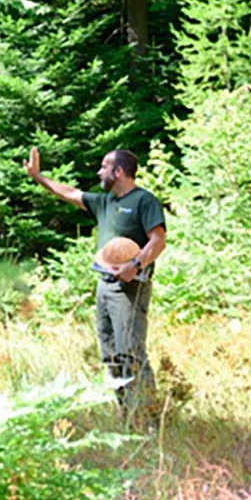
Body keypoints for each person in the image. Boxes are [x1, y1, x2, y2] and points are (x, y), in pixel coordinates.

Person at [24, 147, 167, 420]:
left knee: (131, 351)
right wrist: (38, 177)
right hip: (104, 286)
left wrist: (135, 265)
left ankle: (150, 418)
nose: (99, 172)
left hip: (130, 287)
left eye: (104, 167)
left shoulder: (144, 201)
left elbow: (158, 240)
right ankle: (127, 413)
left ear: (119, 171)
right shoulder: (104, 202)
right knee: (110, 352)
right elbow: (67, 192)